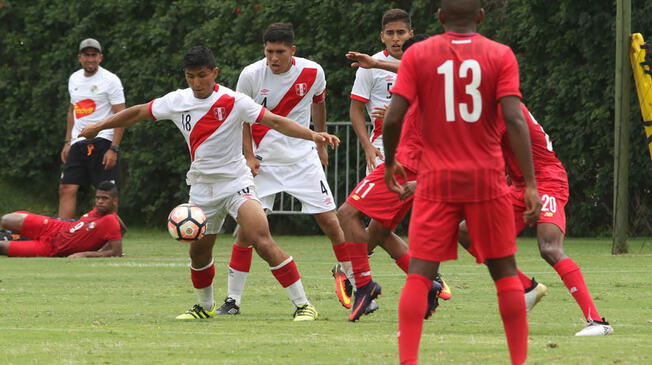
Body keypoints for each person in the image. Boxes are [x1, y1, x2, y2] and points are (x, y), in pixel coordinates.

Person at [79, 46, 340, 321]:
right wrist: (99, 126)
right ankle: (205, 307)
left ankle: (303, 305)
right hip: (202, 187)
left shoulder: (234, 101)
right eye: (191, 76)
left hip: (236, 182)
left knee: (261, 239)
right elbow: (138, 112)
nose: (197, 83)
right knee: (199, 251)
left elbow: (275, 121)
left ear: (214, 72)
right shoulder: (177, 101)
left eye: (202, 75)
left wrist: (313, 135)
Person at [382, 1, 541, 364]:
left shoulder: (419, 54)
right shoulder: (500, 55)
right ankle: (518, 360)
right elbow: (515, 121)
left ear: (439, 18)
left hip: (436, 180)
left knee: (420, 274)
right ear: (480, 17)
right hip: (487, 180)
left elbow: (393, 119)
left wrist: (390, 162)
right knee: (504, 273)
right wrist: (530, 183)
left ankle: (408, 361)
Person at [215, 23, 348, 316]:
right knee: (247, 231)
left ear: (292, 51)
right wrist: (248, 156)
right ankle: (233, 300)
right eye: (269, 52)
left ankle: (350, 277)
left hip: (303, 159)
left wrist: (321, 141)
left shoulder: (313, 72)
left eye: (280, 52)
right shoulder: (251, 74)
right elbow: (242, 120)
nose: (273, 58)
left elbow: (319, 104)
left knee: (331, 221)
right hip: (263, 163)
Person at [457, 103, 613, 336]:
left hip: (546, 181)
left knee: (549, 248)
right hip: (519, 186)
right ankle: (526, 288)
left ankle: (599, 322)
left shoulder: (501, 106)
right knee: (466, 231)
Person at [335, 35, 452, 323]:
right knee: (381, 231)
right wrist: (375, 63)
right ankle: (427, 284)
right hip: (417, 167)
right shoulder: (439, 81)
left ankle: (363, 284)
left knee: (347, 213)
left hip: (404, 166)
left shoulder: (427, 81)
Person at [59, 38, 126, 219]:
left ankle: (109, 240)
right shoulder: (74, 78)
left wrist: (114, 148)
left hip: (103, 141)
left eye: (94, 55)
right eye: (86, 55)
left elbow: (121, 114)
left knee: (106, 193)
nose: (90, 59)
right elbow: (72, 110)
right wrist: (67, 142)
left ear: (100, 57)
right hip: (78, 142)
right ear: (79, 57)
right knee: (66, 188)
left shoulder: (110, 80)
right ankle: (64, 238)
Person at [350, 9, 413, 173]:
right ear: (382, 36)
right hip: (382, 147)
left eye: (401, 32)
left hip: (417, 145)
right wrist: (367, 146)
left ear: (410, 34)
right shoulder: (368, 66)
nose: (395, 38)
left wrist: (398, 117)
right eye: (390, 33)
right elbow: (356, 110)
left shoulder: (422, 62)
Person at [0, 181, 123, 258]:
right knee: (7, 219)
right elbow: (121, 228)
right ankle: (14, 236)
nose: (100, 201)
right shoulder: (98, 211)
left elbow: (116, 252)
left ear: (114, 201)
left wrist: (85, 254)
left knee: (2, 248)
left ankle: (13, 237)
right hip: (54, 226)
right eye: (98, 198)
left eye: (105, 198)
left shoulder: (109, 220)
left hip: (51, 248)